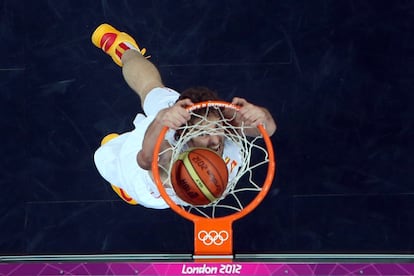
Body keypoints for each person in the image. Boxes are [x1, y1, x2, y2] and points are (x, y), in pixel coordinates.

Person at [92, 23, 277, 209]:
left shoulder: (224, 128)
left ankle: (125, 187)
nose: (214, 140)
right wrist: (161, 119)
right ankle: (126, 49)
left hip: (153, 195)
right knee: (148, 92)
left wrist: (261, 115)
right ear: (184, 134)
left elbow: (268, 130)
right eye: (203, 134)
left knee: (151, 95)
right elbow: (145, 160)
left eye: (216, 129)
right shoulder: (168, 154)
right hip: (144, 160)